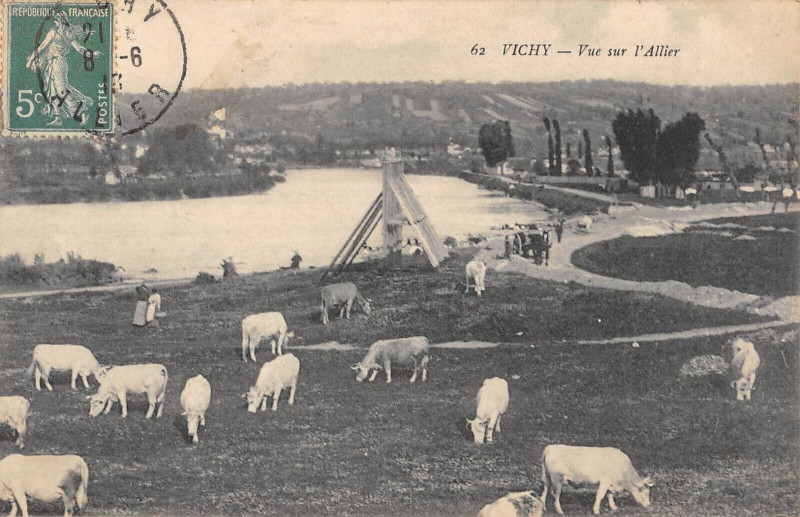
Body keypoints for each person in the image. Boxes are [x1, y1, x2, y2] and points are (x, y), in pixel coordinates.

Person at [25, 12, 99, 126]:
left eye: (55, 20)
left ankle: (83, 111)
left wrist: (30, 60)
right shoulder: (68, 33)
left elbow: (43, 46)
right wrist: (91, 54)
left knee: (62, 91)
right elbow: (79, 48)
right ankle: (58, 117)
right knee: (52, 90)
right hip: (52, 63)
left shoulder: (53, 32)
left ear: (60, 21)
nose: (54, 22)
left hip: (57, 63)